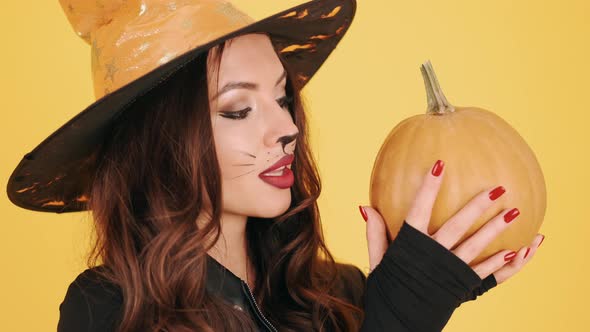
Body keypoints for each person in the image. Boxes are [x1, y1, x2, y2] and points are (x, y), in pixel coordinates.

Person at [6, 1, 544, 331]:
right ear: (159, 145)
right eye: (238, 108)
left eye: (283, 99)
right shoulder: (108, 311)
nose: (287, 129)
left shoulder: (340, 298)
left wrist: (415, 296)